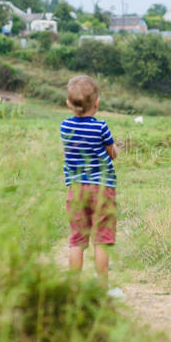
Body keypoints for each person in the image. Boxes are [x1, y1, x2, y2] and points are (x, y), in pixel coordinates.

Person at [60, 75, 119, 291]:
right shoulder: (101, 127)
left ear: (68, 103)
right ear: (97, 102)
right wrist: (116, 148)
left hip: (76, 189)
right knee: (101, 238)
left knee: (77, 239)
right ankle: (103, 286)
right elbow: (111, 154)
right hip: (102, 188)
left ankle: (73, 286)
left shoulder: (65, 127)